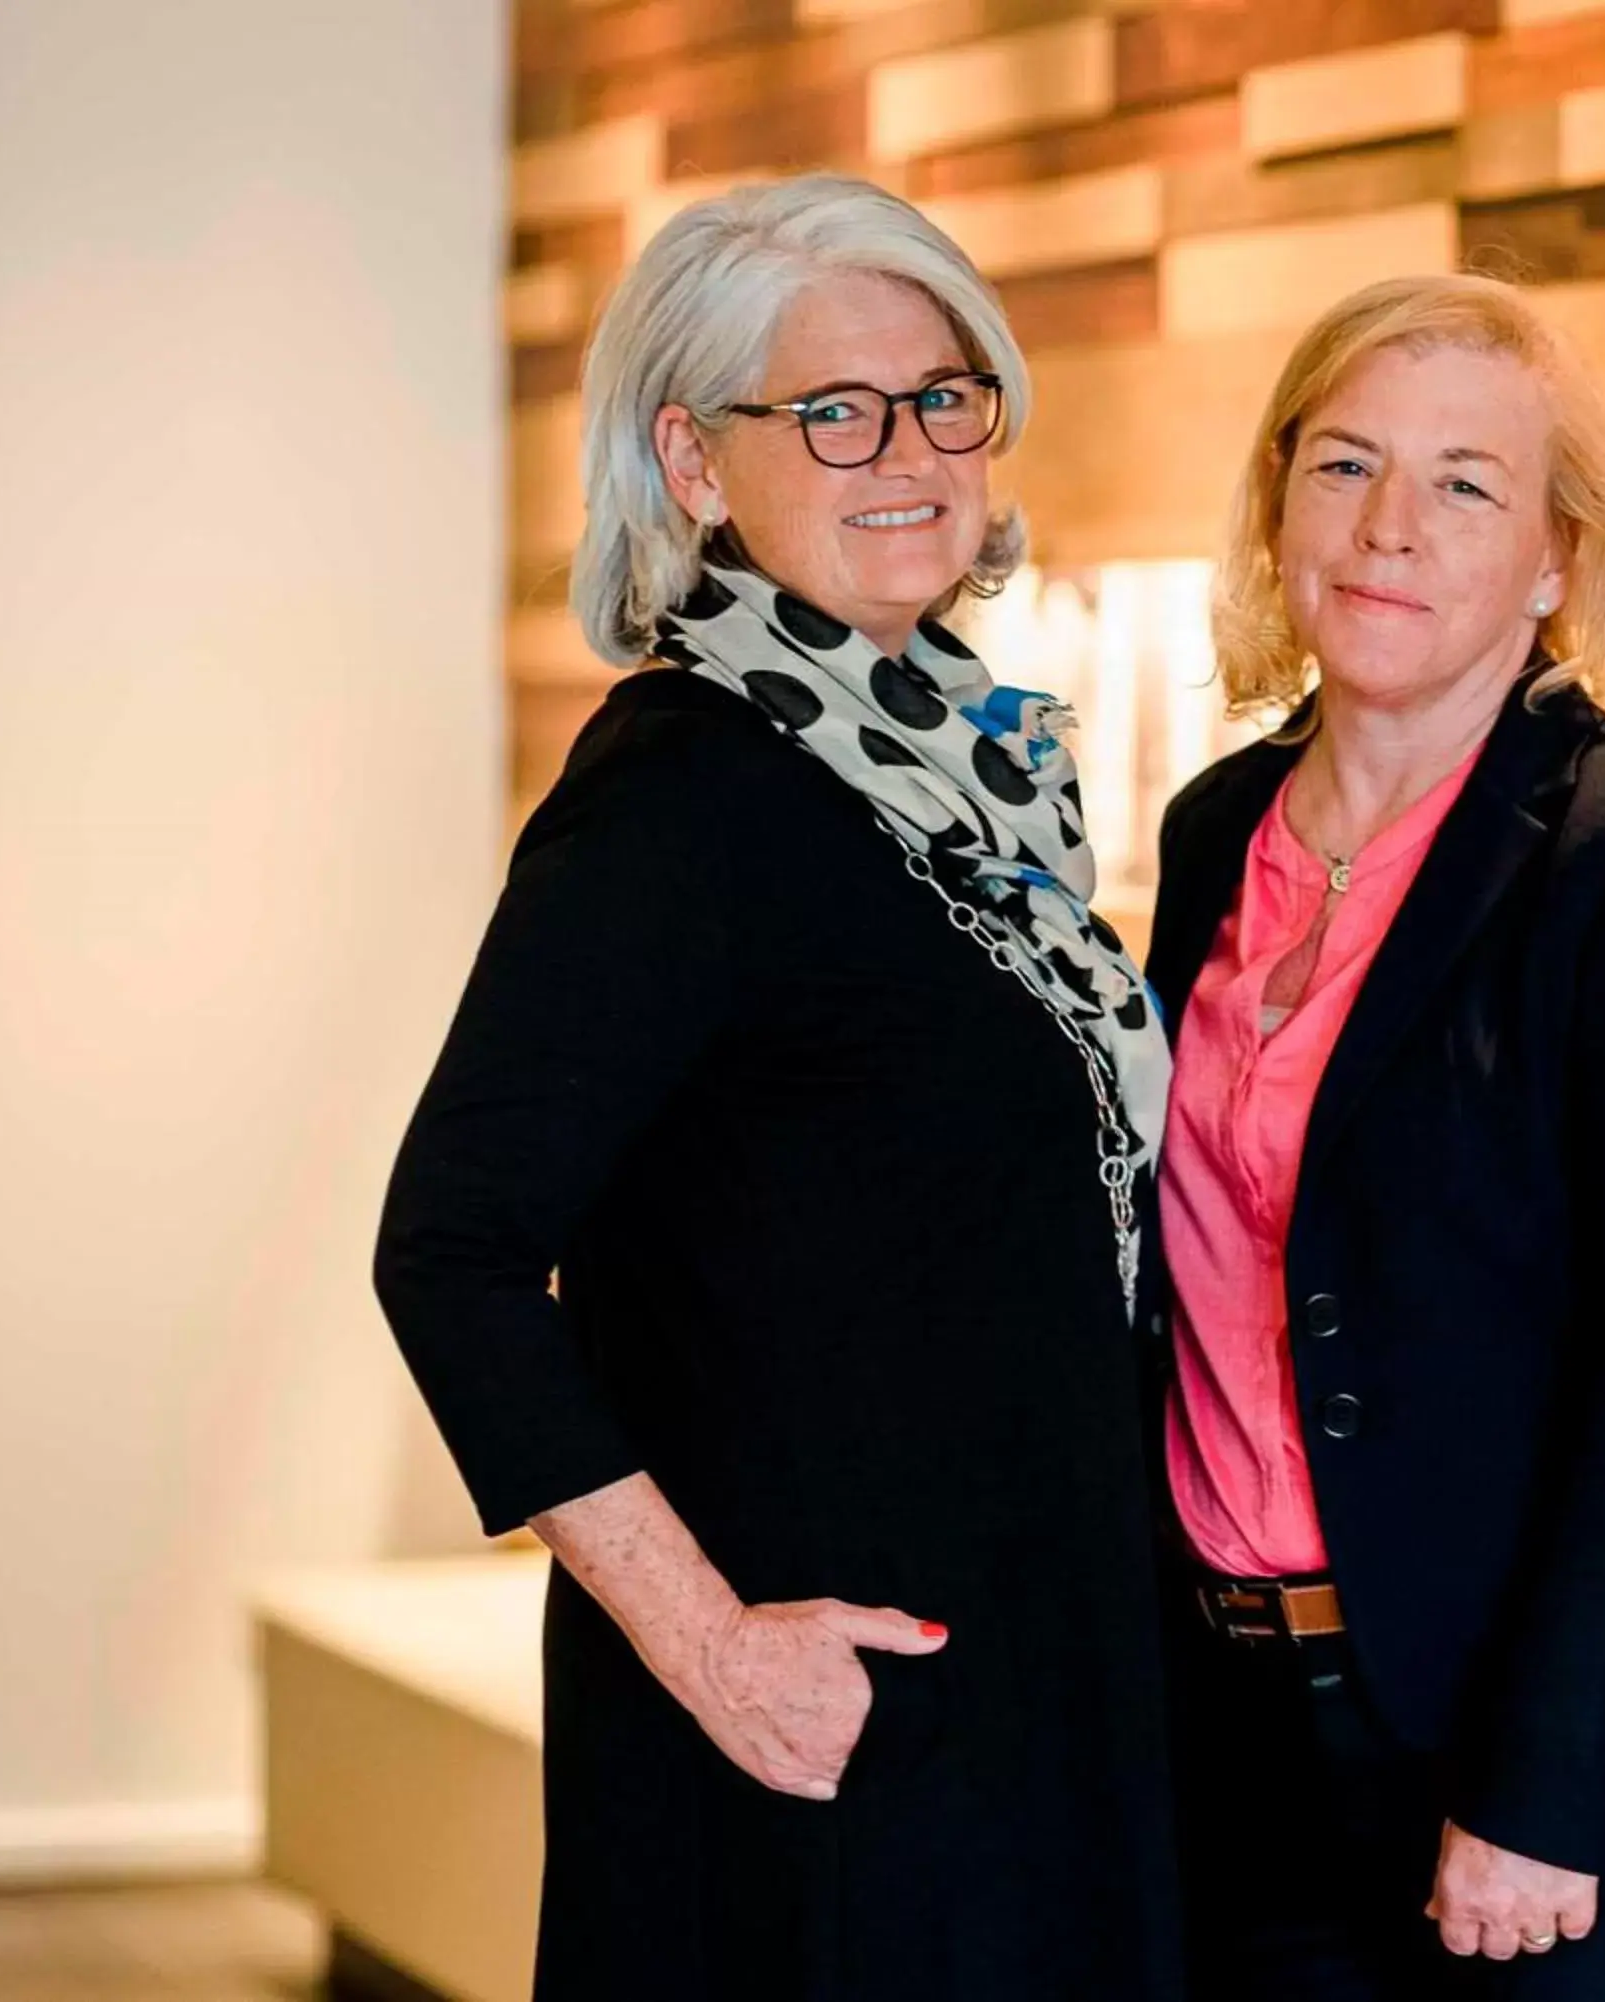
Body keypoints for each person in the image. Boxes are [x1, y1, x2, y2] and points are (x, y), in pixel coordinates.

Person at [373, 175, 1182, 2001]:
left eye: (943, 394)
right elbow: (455, 1252)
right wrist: (712, 1641)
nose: (904, 450)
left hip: (1031, 1681)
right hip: (822, 1735)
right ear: (695, 458)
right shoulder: (682, 796)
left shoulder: (972, 779)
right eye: (832, 409)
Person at [1145, 271, 1605, 2000]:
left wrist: (1537, 1783)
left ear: (1561, 556)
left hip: (1522, 1763)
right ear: (1279, 495)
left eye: (1467, 484)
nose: (1390, 529)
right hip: (1235, 1736)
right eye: (1345, 464)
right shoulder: (1214, 830)